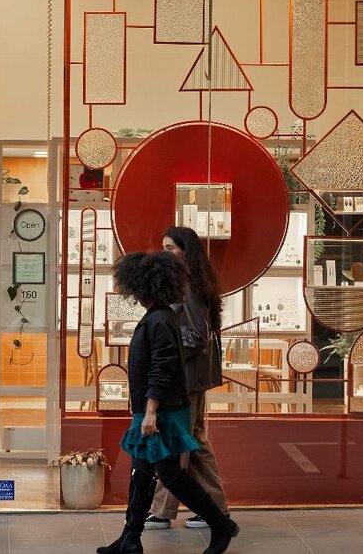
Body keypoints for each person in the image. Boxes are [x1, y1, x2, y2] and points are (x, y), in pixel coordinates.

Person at [98, 251, 238, 554]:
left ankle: (221, 524)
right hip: (154, 410)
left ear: (143, 286)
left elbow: (163, 366)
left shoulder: (159, 319)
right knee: (141, 474)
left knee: (172, 476)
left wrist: (150, 412)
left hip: (160, 412)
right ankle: (130, 538)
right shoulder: (158, 317)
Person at [145, 226, 230, 530]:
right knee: (195, 442)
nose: (164, 252)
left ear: (185, 250)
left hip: (186, 379)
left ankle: (162, 511)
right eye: (163, 247)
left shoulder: (189, 287)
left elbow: (196, 336)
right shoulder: (188, 283)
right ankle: (215, 509)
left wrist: (165, 342)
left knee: (177, 441)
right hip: (191, 377)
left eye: (170, 248)